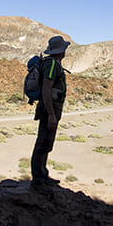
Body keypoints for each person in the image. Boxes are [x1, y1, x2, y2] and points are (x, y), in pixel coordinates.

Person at [30, 35, 70, 188]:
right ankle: (38, 180)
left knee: (47, 142)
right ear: (61, 51)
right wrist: (52, 114)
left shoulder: (52, 63)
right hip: (49, 109)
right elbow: (47, 89)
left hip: (50, 108)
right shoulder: (52, 64)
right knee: (43, 143)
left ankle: (43, 175)